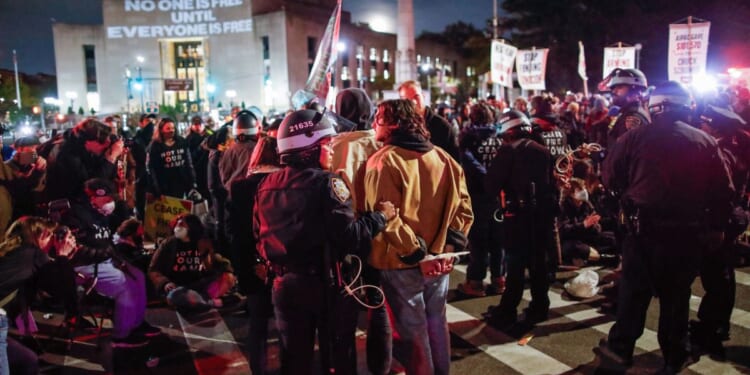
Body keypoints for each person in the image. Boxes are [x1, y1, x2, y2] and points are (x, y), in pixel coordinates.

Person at [595, 81, 734, 373]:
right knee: (676, 298)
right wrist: (717, 228)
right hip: (685, 234)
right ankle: (674, 355)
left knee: (633, 296)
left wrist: (628, 198)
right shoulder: (704, 141)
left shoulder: (633, 138)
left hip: (642, 232)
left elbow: (609, 177)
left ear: (655, 107)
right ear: (686, 107)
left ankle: (620, 352)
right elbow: (723, 190)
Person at [254, 109, 396, 375]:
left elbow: (258, 235)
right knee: (340, 358)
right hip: (325, 286)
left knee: (296, 360)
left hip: (283, 285)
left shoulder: (267, 183)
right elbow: (349, 237)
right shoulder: (327, 183)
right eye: (326, 145)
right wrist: (380, 217)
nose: (331, 150)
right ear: (308, 148)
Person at [365, 99, 473, 375]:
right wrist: (446, 249)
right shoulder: (443, 158)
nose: (373, 123)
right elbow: (464, 209)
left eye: (378, 118)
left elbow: (386, 215)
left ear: (394, 124)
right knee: (436, 321)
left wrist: (419, 254)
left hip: (401, 262)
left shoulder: (383, 161)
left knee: (412, 333)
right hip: (439, 261)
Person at [329, 88, 392, 375]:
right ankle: (381, 368)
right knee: (377, 303)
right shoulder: (381, 144)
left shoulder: (334, 147)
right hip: (380, 229)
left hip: (346, 234)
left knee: (344, 311)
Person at [61, 178, 161, 348]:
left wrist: (115, 255)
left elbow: (105, 240)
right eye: (107, 199)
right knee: (125, 285)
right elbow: (73, 248)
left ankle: (135, 323)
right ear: (94, 197)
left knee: (138, 276)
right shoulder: (74, 216)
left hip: (104, 260)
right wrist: (102, 253)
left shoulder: (101, 214)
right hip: (84, 265)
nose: (110, 203)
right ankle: (121, 335)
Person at [483, 110, 558, 329]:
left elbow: (491, 185)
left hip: (517, 217)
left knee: (515, 265)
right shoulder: (543, 151)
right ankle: (539, 306)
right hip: (542, 217)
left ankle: (507, 311)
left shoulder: (508, 152)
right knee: (539, 264)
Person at [691, 104, 750, 359]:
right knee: (723, 274)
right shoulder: (735, 147)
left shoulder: (721, 152)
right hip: (731, 218)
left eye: (705, 123)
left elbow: (719, 192)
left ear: (713, 126)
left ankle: (712, 329)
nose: (701, 126)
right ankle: (716, 324)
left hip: (719, 220)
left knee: (717, 276)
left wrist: (714, 226)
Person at [456, 103, 506, 297]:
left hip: (476, 195)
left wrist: (484, 176)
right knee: (498, 239)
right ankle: (499, 279)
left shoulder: (468, 138)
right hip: (498, 195)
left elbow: (467, 162)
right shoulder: (500, 138)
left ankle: (476, 282)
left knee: (478, 240)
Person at [149, 214, 238, 313]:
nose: (178, 227)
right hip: (178, 287)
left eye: (182, 225)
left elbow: (217, 262)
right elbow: (154, 269)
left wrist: (225, 270)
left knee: (227, 278)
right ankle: (213, 303)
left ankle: (198, 302)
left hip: (199, 285)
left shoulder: (202, 242)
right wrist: (165, 283)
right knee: (174, 296)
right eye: (178, 224)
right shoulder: (169, 244)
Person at [45, 118, 125, 201]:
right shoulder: (68, 155)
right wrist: (111, 158)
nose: (105, 146)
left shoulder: (86, 150)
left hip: (81, 204)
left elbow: (106, 178)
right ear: (88, 142)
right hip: (66, 205)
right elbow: (91, 187)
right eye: (102, 142)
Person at [398, 80, 460, 160]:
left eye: (416, 97)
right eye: (408, 100)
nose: (414, 102)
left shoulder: (442, 126)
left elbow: (454, 161)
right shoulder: (399, 127)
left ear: (423, 96)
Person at [148, 117, 198, 199]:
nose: (171, 130)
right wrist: (157, 188)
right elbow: (152, 168)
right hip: (165, 185)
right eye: (168, 128)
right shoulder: (155, 146)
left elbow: (188, 163)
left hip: (182, 183)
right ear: (161, 130)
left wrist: (192, 181)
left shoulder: (181, 142)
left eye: (172, 128)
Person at [604, 68, 651, 145]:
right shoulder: (625, 112)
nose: (614, 91)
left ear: (634, 89)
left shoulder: (633, 116)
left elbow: (624, 152)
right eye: (614, 88)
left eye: (620, 87)